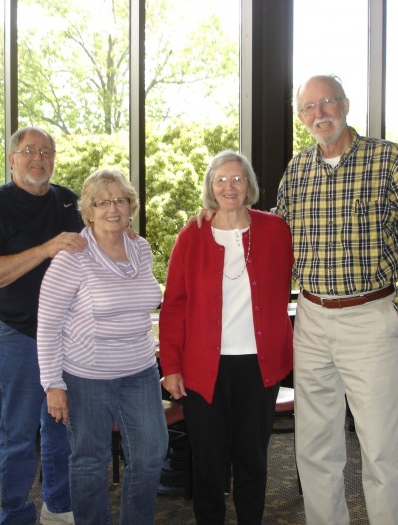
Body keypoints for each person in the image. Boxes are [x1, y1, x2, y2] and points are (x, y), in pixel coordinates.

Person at [279, 75, 398, 524]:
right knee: (314, 446)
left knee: (381, 448)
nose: (319, 113)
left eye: (326, 102)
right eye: (309, 107)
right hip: (310, 319)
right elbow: (275, 237)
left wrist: (397, 314)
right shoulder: (298, 169)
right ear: (301, 117)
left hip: (371, 317)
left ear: (345, 104)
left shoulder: (386, 159)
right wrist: (219, 210)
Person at [159, 150, 294, 525]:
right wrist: (171, 366)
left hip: (259, 366)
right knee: (209, 460)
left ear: (249, 184)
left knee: (253, 458)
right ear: (210, 187)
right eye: (220, 180)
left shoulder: (275, 230)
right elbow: (173, 306)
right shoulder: (193, 234)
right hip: (205, 368)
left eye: (236, 179)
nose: (229, 186)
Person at [0, 126, 84, 525]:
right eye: (29, 151)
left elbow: (102, 243)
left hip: (65, 336)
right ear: (12, 159)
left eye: (46, 151)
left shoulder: (70, 203)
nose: (38, 158)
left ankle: (59, 508)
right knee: (18, 434)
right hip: (14, 333)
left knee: (60, 429)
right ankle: (16, 515)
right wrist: (47, 248)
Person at [37, 169, 167, 525]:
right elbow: (47, 324)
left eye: (121, 200)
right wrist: (53, 384)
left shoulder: (140, 247)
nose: (113, 208)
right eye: (103, 202)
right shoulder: (73, 256)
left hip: (139, 371)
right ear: (89, 211)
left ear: (131, 207)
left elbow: (145, 298)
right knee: (90, 461)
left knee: (151, 454)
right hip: (86, 377)